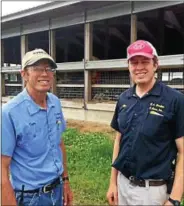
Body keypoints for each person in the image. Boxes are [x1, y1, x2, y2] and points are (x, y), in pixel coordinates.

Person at [106, 40, 184, 206]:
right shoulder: (124, 99)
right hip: (123, 185)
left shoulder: (174, 100)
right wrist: (113, 183)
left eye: (145, 61)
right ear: (128, 66)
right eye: (134, 62)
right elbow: (118, 141)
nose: (139, 67)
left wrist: (175, 198)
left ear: (155, 64)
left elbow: (183, 151)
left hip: (153, 192)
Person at [2, 49, 73, 206]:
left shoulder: (55, 103)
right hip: (31, 198)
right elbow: (2, 169)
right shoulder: (9, 113)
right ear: (24, 74)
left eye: (48, 69)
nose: (44, 73)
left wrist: (66, 181)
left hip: (57, 189)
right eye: (37, 68)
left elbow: (58, 143)